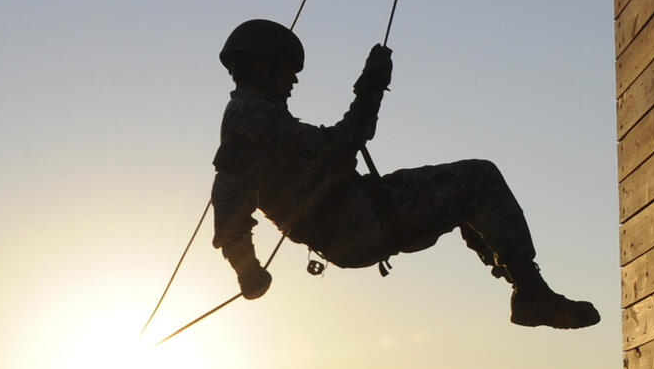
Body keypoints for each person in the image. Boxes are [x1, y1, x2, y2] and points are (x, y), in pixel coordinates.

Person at [211, 19, 599, 329]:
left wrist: (249, 270)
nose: (293, 80)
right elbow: (347, 140)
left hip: (352, 221)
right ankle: (529, 290)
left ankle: (526, 287)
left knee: (465, 195)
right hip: (357, 221)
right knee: (479, 179)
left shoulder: (256, 118)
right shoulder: (252, 117)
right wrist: (372, 85)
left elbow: (238, 195)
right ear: (262, 65)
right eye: (288, 70)